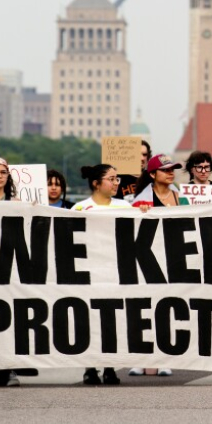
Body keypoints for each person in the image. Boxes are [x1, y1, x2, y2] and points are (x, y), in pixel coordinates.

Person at [73, 164, 131, 385]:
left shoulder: (125, 206)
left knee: (111, 320)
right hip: (89, 272)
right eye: (112, 179)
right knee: (89, 319)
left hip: (115, 272)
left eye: (117, 179)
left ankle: (109, 366)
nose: (117, 183)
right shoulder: (80, 208)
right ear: (96, 183)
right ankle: (90, 367)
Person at [129, 153, 186, 375]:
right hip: (147, 260)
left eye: (173, 169)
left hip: (174, 260)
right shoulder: (140, 201)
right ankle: (141, 357)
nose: (171, 172)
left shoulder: (181, 198)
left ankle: (165, 358)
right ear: (152, 174)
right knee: (144, 309)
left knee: (168, 308)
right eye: (165, 169)